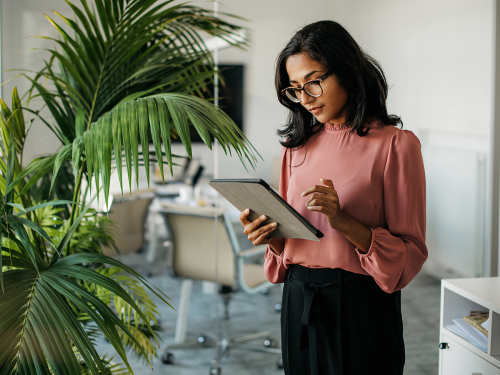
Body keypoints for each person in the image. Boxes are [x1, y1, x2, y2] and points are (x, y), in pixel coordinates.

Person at [239, 20, 427, 375]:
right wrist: (272, 239)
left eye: (314, 81)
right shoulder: (295, 147)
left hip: (360, 305)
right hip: (298, 299)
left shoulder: (395, 146)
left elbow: (410, 255)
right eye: (295, 88)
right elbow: (291, 244)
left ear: (346, 71)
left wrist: (343, 222)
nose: (305, 98)